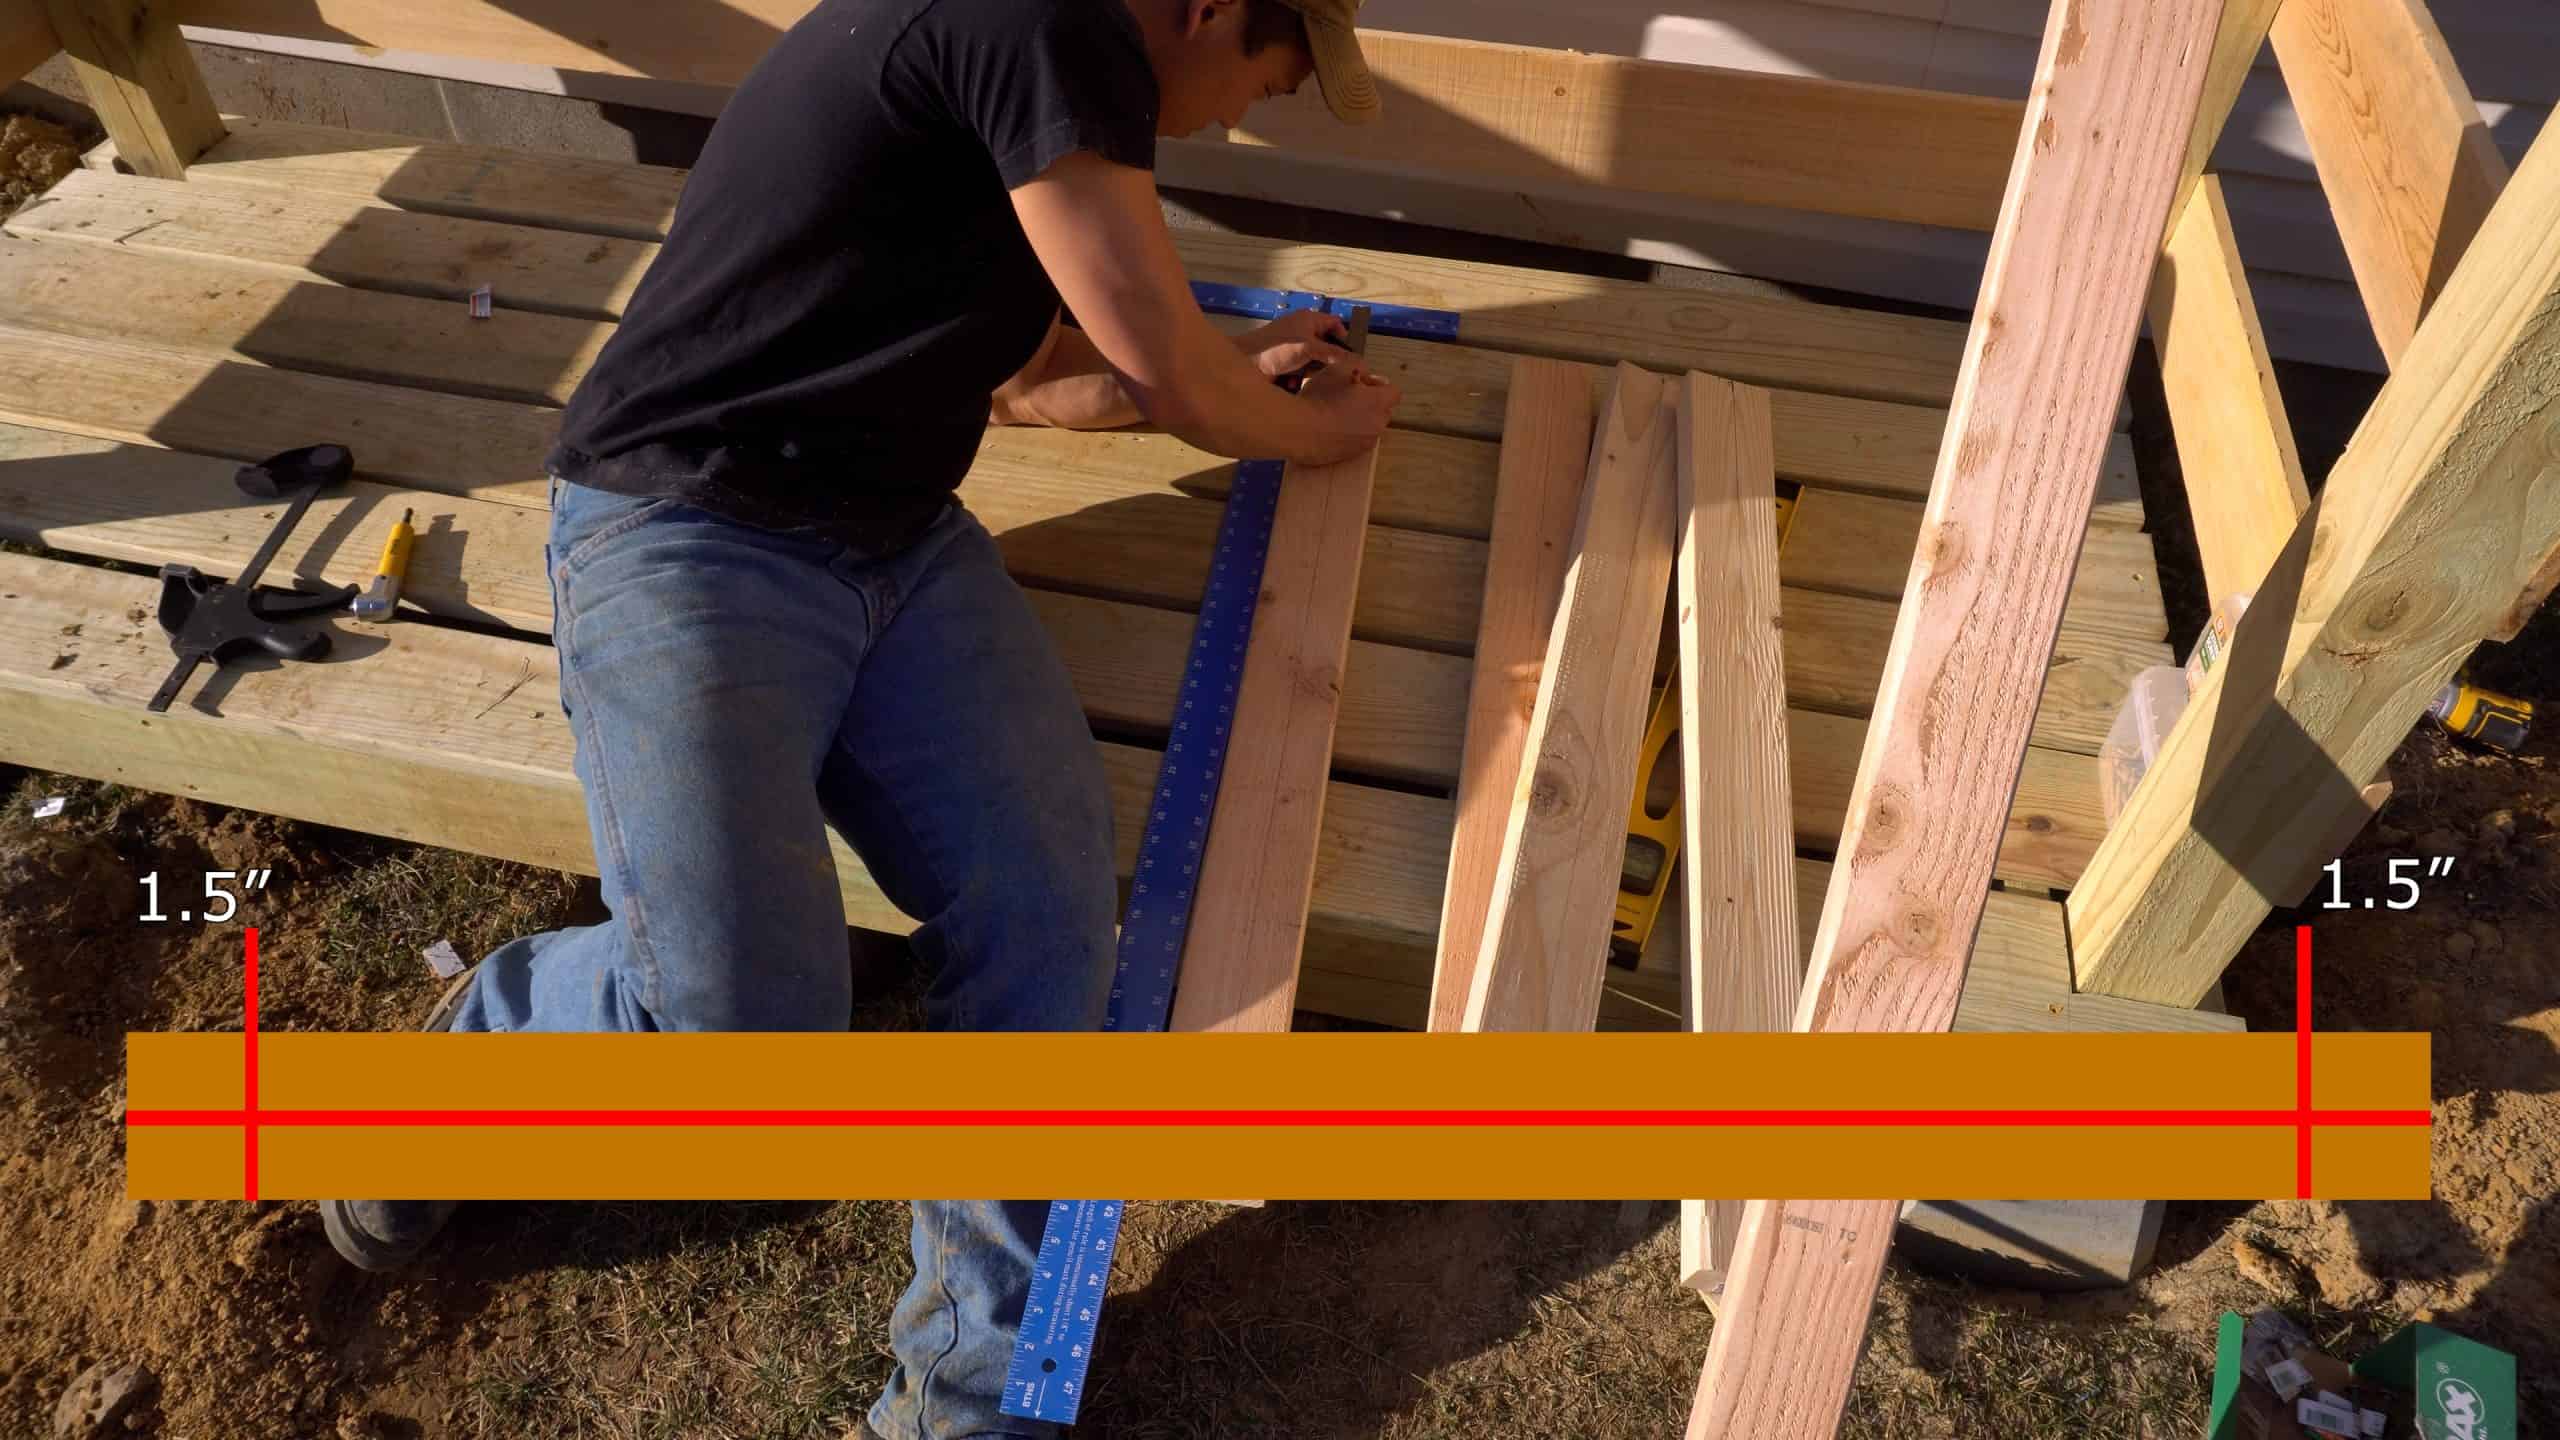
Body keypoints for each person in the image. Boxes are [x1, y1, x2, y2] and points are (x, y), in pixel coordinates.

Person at [319, 0, 1397, 1434]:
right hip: (684, 525)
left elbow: (1039, 378)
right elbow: (1155, 361)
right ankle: (469, 1050)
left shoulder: (1023, 92)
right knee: (745, 1035)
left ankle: (968, 1403)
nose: (1242, 118)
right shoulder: (1049, 28)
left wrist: (1223, 380)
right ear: (1204, 8)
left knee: (1047, 925)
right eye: (1266, 75)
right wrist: (1321, 429)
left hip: (897, 543)